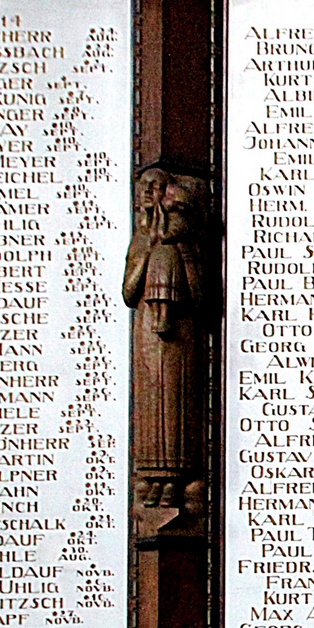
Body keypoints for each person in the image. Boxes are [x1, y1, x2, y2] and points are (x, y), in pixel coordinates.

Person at [124, 167, 204, 515]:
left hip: (180, 335)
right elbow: (129, 292)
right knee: (151, 403)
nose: (147, 195)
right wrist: (144, 258)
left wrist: (183, 256)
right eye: (144, 188)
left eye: (154, 188)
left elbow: (201, 298)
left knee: (176, 403)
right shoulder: (141, 242)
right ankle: (151, 479)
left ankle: (174, 480)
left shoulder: (185, 245)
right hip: (147, 333)